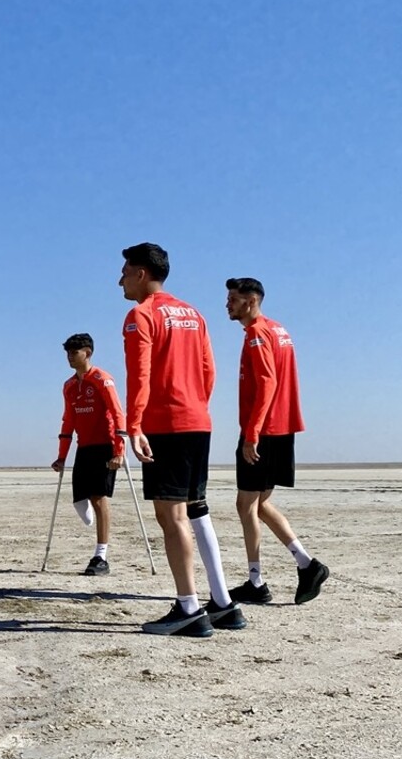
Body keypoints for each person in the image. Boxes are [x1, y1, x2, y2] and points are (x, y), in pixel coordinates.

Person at [119, 243, 245, 637]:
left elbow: (138, 375)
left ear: (141, 273)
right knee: (196, 509)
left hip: (166, 425)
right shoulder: (194, 313)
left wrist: (134, 425)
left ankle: (189, 607)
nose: (119, 279)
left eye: (124, 271)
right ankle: (223, 602)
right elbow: (209, 370)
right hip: (197, 421)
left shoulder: (141, 315)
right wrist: (194, 405)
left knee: (171, 517)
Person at [224, 277, 329, 605]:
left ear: (250, 301)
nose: (227, 304)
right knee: (260, 504)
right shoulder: (278, 329)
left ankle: (256, 582)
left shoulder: (257, 333)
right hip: (282, 428)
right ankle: (306, 564)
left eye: (233, 299)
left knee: (246, 505)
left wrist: (252, 434)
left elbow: (267, 383)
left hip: (265, 430)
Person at [51, 333, 126, 576]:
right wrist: (62, 456)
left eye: (75, 352)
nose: (70, 357)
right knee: (79, 498)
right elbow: (68, 420)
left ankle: (101, 555)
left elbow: (117, 413)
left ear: (88, 353)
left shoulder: (102, 379)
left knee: (98, 498)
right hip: (84, 447)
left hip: (105, 445)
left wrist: (119, 450)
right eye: (68, 353)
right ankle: (97, 542)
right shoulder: (70, 385)